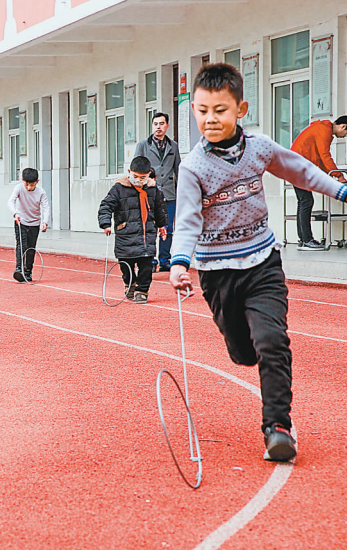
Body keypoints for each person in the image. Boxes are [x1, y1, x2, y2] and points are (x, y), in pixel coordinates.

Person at [169, 64, 347, 462]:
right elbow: (187, 220)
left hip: (262, 263)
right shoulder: (193, 167)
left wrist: (340, 191)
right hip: (218, 274)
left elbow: (301, 170)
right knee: (244, 354)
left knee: (272, 342)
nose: (210, 119)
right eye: (202, 111)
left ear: (240, 109)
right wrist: (179, 263)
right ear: (194, 111)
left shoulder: (259, 148)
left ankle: (277, 428)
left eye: (220, 110)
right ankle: (245, 347)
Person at [98, 156, 167, 304]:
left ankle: (142, 291)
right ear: (129, 172)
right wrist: (105, 224)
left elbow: (160, 209)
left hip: (146, 234)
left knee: (146, 266)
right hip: (126, 234)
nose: (138, 180)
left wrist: (162, 226)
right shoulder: (119, 188)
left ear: (148, 174)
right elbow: (106, 206)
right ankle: (130, 284)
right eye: (135, 176)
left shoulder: (153, 189)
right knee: (126, 265)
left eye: (142, 178)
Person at [290, 116, 347, 250]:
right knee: (306, 201)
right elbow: (325, 155)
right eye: (346, 133)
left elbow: (320, 159)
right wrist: (338, 175)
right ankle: (307, 240)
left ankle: (304, 240)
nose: (345, 136)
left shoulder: (322, 129)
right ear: (344, 126)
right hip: (298, 167)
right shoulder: (324, 130)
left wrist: (332, 174)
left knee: (304, 201)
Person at [134, 112, 181, 271]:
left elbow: (178, 169)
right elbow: (136, 169)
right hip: (149, 194)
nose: (158, 127)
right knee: (150, 228)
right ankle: (150, 261)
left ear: (167, 126)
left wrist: (182, 191)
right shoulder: (143, 145)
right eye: (155, 124)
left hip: (169, 194)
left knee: (168, 228)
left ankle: (165, 260)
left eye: (161, 124)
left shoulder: (173, 146)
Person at [7, 167, 49, 282]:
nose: (29, 187)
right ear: (22, 180)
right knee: (21, 245)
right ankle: (19, 269)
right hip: (21, 221)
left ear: (37, 182)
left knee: (31, 248)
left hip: (34, 223)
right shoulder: (18, 188)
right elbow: (10, 201)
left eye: (32, 185)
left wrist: (45, 222)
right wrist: (15, 213)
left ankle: (28, 272)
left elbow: (46, 207)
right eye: (27, 184)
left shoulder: (41, 192)